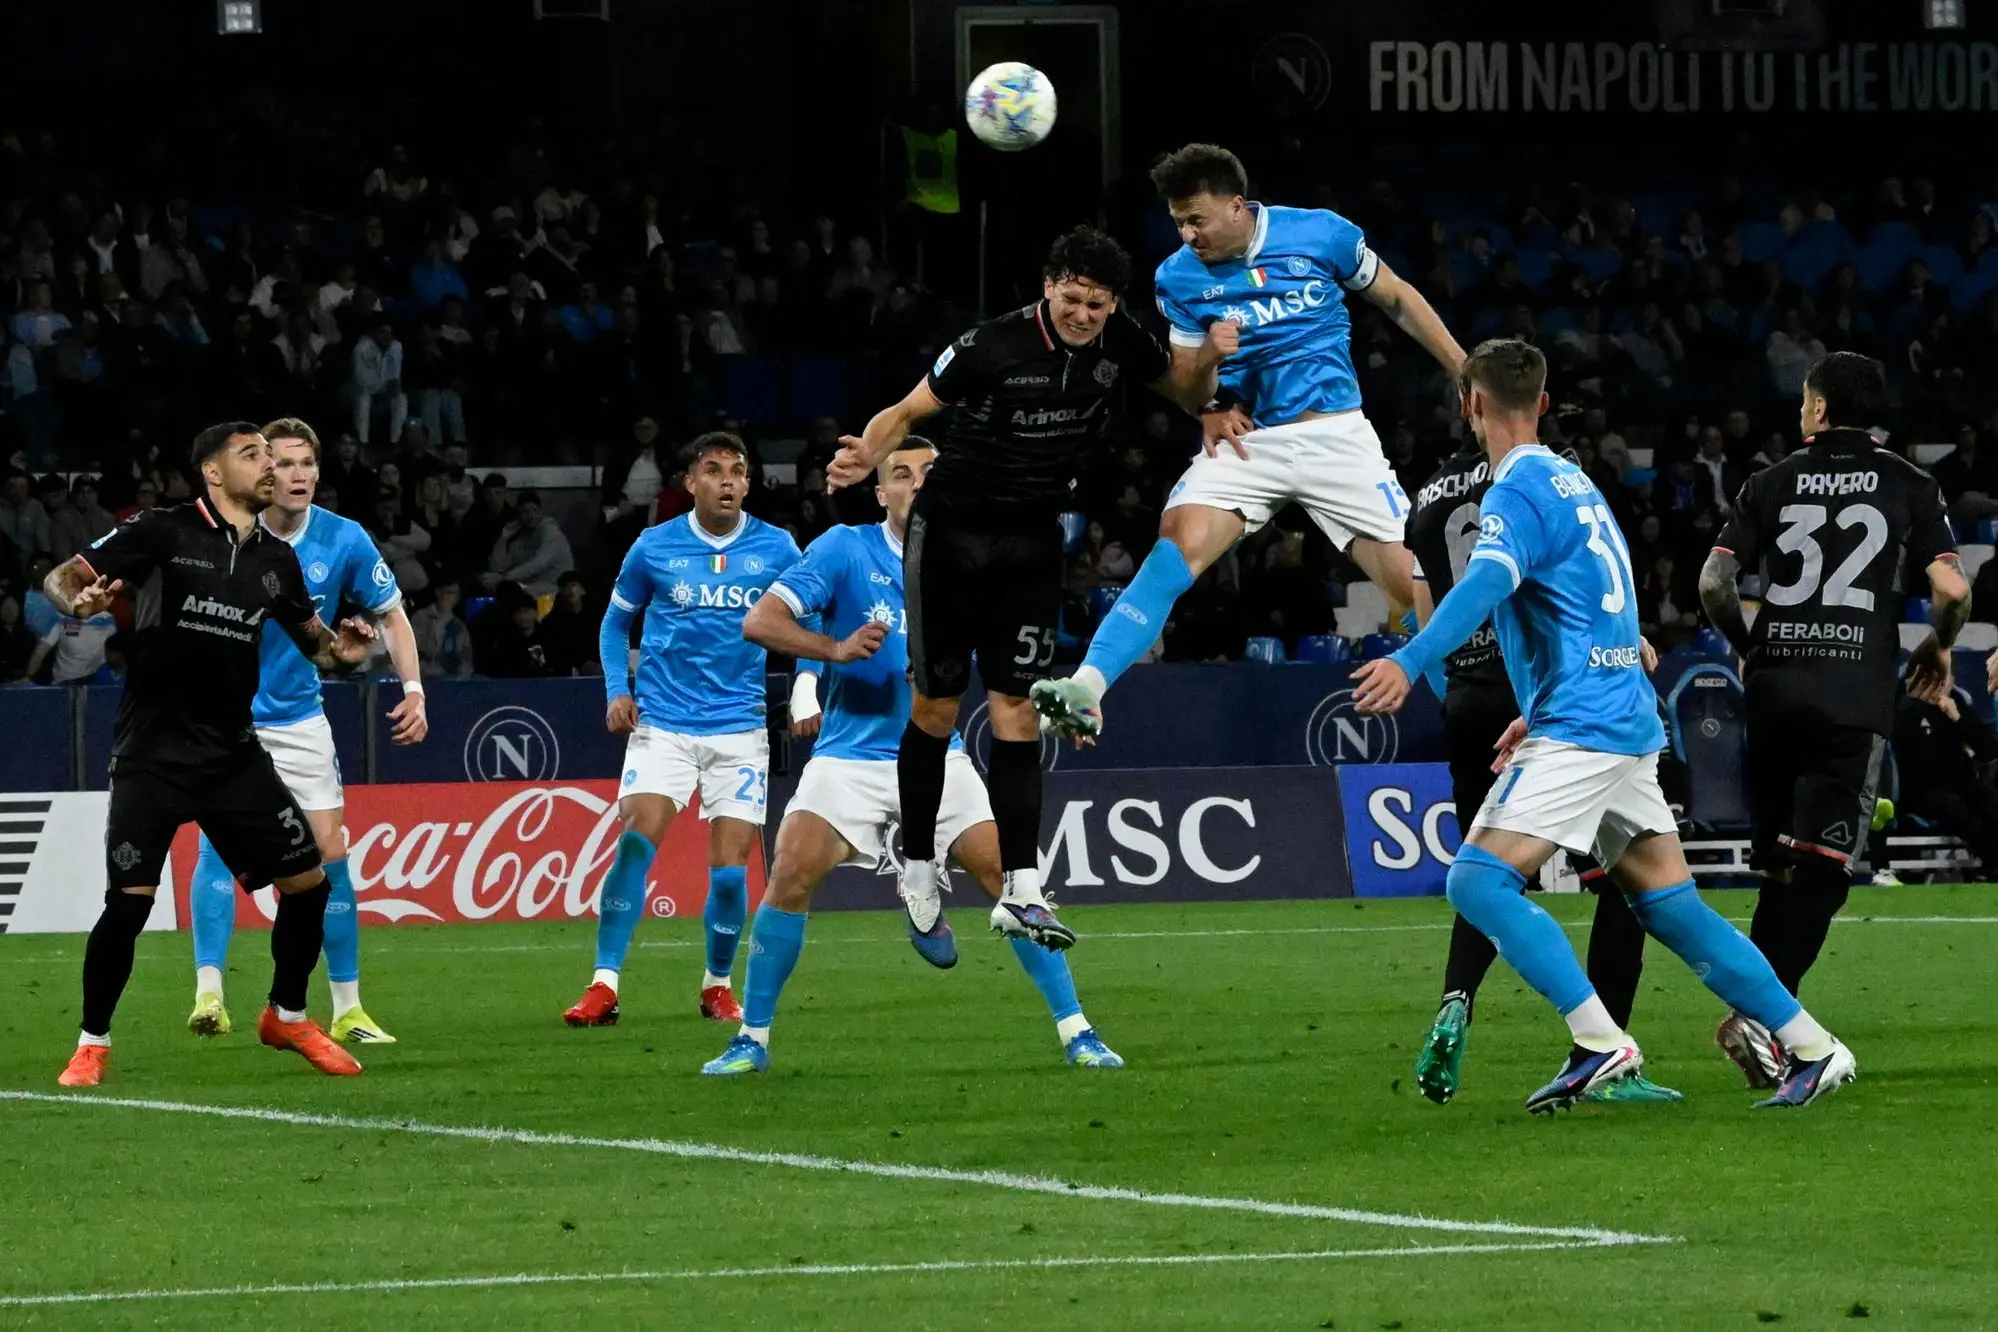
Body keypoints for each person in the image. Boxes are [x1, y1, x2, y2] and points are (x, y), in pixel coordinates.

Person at [1353, 340, 1856, 1112]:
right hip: (1620, 714)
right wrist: (1542, 704)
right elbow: (1605, 600)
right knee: (1671, 906)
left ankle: (1599, 1041)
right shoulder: (1575, 481)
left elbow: (1488, 581)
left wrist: (1412, 658)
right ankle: (1815, 1047)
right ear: (1544, 402)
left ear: (1471, 404)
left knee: (1477, 880)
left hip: (1585, 724)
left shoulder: (1513, 490)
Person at [827, 226, 1229, 953]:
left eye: (1097, 305)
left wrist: (1212, 386)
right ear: (1049, 287)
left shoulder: (1122, 342)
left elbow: (1182, 385)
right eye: (1072, 299)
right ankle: (917, 867)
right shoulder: (990, 345)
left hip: (1032, 539)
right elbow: (910, 412)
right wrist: (868, 450)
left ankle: (1021, 889)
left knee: (1016, 708)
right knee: (937, 705)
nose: (1082, 315)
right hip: (950, 533)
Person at [701, 440, 1122, 1075]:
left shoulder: (977, 561)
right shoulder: (845, 548)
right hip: (850, 758)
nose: (918, 485)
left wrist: (1059, 710)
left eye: (931, 474)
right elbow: (760, 622)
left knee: (1012, 878)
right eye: (901, 474)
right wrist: (834, 650)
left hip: (939, 759)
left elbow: (1009, 673)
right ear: (881, 493)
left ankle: (1077, 1030)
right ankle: (751, 1040)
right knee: (789, 872)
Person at [1032, 144, 1466, 741]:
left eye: (1197, 219)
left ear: (1237, 206)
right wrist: (1210, 361)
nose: (1188, 234)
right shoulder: (1177, 277)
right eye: (1178, 221)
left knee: (1416, 585)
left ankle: (1484, 717)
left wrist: (1463, 370)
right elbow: (1189, 388)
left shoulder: (1320, 234)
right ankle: (1087, 688)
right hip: (1247, 442)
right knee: (1173, 548)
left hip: (1334, 438)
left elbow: (1395, 295)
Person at [43, 421, 376, 1088]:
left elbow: (319, 648)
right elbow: (63, 577)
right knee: (130, 902)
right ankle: (92, 1043)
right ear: (215, 474)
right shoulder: (163, 530)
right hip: (154, 753)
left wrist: (350, 650)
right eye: (251, 455)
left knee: (309, 885)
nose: (269, 466)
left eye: (271, 457)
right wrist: (76, 598)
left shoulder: (275, 560)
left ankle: (286, 1014)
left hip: (232, 754)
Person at [1699, 351, 1966, 1084]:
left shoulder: (1769, 481)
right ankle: (1766, 1018)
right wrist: (1939, 648)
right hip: (1851, 697)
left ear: (1817, 409)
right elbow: (1952, 589)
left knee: (1782, 868)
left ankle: (1762, 1030)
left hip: (1776, 691)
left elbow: (1715, 580)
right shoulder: (1911, 483)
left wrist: (1749, 647)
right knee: (1823, 872)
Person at [1402, 424, 1677, 1107]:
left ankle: (1456, 998)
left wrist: (1451, 695)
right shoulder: (1540, 482)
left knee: (1489, 870)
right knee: (1622, 879)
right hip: (1551, 690)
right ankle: (1605, 1047)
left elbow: (1422, 607)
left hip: (1467, 697)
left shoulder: (1426, 499)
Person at [184, 417, 430, 1046]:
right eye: (284, 463)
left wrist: (414, 691)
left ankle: (348, 1007)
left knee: (330, 858)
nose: (297, 475)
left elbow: (394, 617)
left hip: (299, 720)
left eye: (307, 464)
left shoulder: (343, 539)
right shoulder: (227, 532)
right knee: (219, 850)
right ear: (262, 471)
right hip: (229, 719)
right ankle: (209, 993)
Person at [564, 432, 800, 1027]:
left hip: (740, 729)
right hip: (664, 723)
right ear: (689, 482)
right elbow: (615, 625)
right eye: (713, 470)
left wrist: (805, 688)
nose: (726, 480)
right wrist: (618, 689)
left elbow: (813, 621)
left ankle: (717, 986)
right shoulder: (653, 547)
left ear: (749, 484)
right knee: (636, 841)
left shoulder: (777, 549)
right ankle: (604, 984)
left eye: (737, 471)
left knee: (728, 872)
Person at [1893, 681, 1998, 876]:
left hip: (1962, 786)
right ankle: (1993, 859)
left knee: (1988, 799)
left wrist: (1957, 718)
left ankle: (1992, 862)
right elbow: (1919, 761)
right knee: (1952, 806)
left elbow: (1989, 749)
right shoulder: (1905, 708)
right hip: (1923, 792)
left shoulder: (1955, 702)